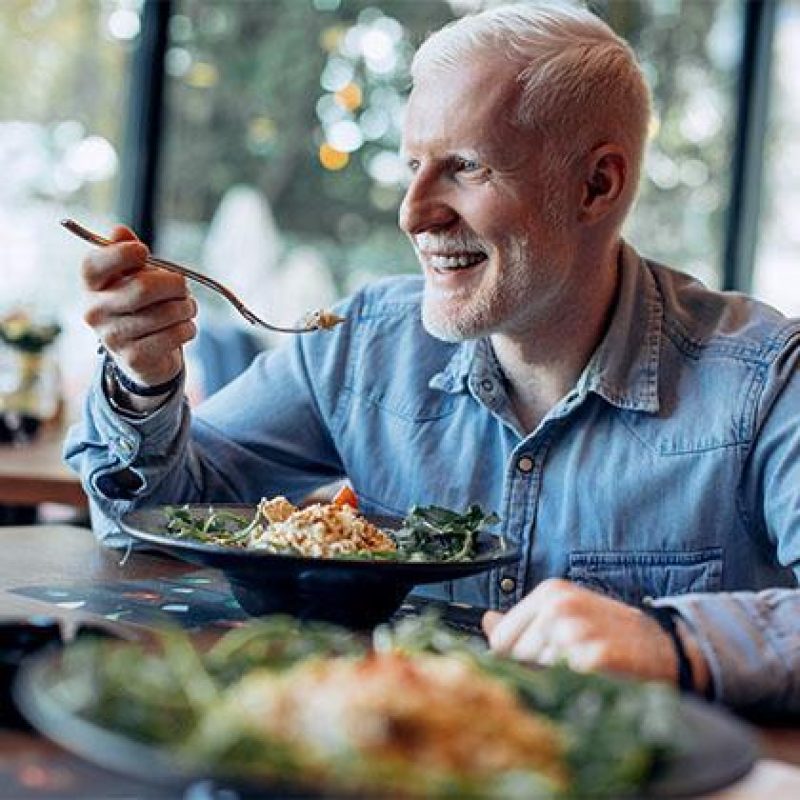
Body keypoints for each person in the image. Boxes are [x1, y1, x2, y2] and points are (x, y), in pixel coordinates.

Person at [66, 1, 800, 714]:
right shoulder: (362, 344)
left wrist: (675, 643)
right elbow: (145, 519)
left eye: (466, 167)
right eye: (414, 164)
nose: (413, 213)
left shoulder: (764, 380)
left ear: (596, 185)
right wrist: (145, 381)